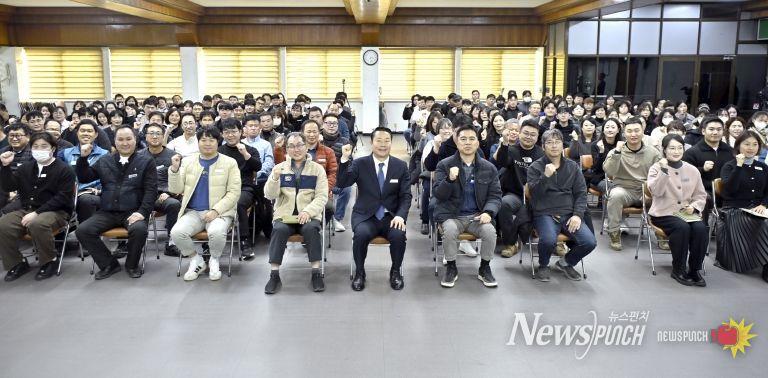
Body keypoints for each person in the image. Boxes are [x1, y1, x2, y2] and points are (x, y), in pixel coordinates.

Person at [75, 126, 157, 279]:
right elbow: (85, 177)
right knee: (82, 230)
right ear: (114, 141)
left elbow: (151, 191)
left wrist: (142, 213)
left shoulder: (146, 162)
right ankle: (108, 264)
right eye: (120, 139)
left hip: (133, 211)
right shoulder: (105, 160)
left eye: (128, 139)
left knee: (139, 230)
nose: (124, 143)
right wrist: (83, 159)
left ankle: (132, 265)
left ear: (135, 140)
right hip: (107, 211)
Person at [336, 127, 411, 291]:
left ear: (391, 142)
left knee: (399, 235)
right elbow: (342, 183)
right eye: (379, 140)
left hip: (391, 216)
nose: (383, 145)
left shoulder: (400, 166)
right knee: (361, 235)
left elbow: (406, 196)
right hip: (365, 215)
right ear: (372, 142)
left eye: (387, 141)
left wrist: (400, 216)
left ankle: (396, 271)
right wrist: (344, 159)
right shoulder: (360, 163)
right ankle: (360, 273)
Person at [433, 125, 502, 288]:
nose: (467, 143)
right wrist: (449, 180)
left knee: (490, 232)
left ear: (478, 143)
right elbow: (439, 195)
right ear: (457, 143)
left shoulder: (488, 167)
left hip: (477, 216)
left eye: (472, 139)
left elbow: (495, 195)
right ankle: (451, 267)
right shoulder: (445, 165)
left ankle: (484, 267)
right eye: (463, 139)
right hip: (451, 215)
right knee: (449, 231)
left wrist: (488, 212)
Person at [0, 132, 75, 281]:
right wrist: (6, 167)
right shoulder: (25, 168)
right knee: (3, 224)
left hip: (56, 211)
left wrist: (37, 213)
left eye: (44, 146)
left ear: (53, 148)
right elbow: (9, 186)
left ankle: (49, 261)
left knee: (38, 223)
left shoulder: (64, 169)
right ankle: (17, 263)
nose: (39, 149)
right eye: (35, 146)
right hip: (27, 209)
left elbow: (63, 197)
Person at [169, 127, 241, 281]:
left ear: (218, 142)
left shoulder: (230, 163)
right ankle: (196, 260)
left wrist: (216, 210)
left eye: (211, 140)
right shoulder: (187, 161)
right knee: (176, 233)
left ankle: (214, 259)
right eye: (203, 140)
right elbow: (176, 189)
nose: (207, 143)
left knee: (216, 232)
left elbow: (234, 192)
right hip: (193, 212)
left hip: (220, 213)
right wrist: (174, 170)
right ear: (198, 141)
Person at [263, 132, 328, 294]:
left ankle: (316, 273)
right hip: (285, 216)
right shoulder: (280, 168)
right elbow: (269, 195)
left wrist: (308, 211)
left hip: (308, 216)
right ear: (286, 149)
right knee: (279, 230)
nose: (296, 149)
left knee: (311, 230)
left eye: (299, 145)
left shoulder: (317, 169)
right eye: (291, 146)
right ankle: (274, 274)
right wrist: (275, 179)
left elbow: (322, 197)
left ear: (306, 146)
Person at [527, 129, 596, 282]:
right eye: (549, 143)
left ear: (562, 145)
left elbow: (581, 193)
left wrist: (577, 215)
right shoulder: (535, 167)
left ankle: (566, 262)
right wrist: (545, 177)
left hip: (569, 213)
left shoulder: (572, 167)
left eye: (557, 142)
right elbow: (535, 194)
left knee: (589, 242)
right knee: (548, 240)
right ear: (543, 146)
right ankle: (543, 265)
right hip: (544, 212)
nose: (554, 146)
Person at [646, 134, 709, 286]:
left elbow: (701, 195)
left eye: (679, 148)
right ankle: (678, 269)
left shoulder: (692, 170)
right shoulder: (656, 168)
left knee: (701, 229)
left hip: (686, 213)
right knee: (682, 228)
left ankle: (694, 270)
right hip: (663, 212)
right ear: (664, 150)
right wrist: (663, 170)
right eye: (672, 148)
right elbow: (656, 192)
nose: (676, 151)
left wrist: (694, 207)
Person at [716, 130, 768, 283]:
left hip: (758, 209)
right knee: (765, 223)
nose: (751, 148)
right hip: (734, 210)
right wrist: (739, 166)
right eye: (746, 144)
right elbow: (728, 191)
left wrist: (764, 205)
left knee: (763, 220)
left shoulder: (763, 167)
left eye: (755, 144)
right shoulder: (729, 166)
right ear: (738, 146)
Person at [603, 117, 662, 250]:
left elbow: (661, 176)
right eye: (629, 131)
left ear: (643, 132)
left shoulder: (653, 152)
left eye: (637, 130)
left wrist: (651, 190)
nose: (633, 134)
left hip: (646, 190)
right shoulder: (615, 151)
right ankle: (614, 233)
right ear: (624, 133)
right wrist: (617, 152)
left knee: (663, 195)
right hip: (624, 189)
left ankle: (662, 234)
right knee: (615, 195)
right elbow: (609, 171)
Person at [494, 119, 544, 257]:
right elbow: (501, 162)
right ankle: (510, 243)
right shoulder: (511, 150)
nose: (529, 137)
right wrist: (504, 143)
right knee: (504, 204)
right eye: (526, 133)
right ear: (519, 133)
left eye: (532, 134)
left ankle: (556, 242)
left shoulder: (542, 154)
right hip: (515, 194)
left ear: (537, 136)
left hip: (536, 197)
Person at [217, 118, 262, 259]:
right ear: (222, 134)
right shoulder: (218, 151)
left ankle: (244, 241)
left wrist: (245, 155)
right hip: (222, 189)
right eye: (227, 132)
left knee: (239, 203)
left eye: (234, 132)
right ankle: (210, 242)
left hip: (245, 188)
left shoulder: (250, 150)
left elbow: (258, 167)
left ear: (241, 132)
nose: (230, 135)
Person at [137, 122, 183, 257]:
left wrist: (169, 193)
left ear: (164, 137)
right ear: (145, 137)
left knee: (174, 204)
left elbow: (179, 179)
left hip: (163, 195)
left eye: (158, 133)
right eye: (151, 133)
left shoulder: (173, 156)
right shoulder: (138, 156)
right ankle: (129, 242)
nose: (155, 136)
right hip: (143, 196)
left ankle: (171, 243)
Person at [682, 117, 733, 226]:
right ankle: (701, 230)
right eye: (711, 129)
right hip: (704, 190)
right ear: (703, 131)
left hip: (726, 190)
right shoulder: (692, 152)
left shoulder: (729, 151)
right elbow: (684, 176)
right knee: (703, 199)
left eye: (719, 129)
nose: (715, 132)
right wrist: (702, 169)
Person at [57, 120, 108, 223]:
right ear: (77, 133)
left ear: (96, 134)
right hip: (70, 193)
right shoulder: (65, 153)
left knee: (86, 200)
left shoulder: (105, 154)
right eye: (82, 130)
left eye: (89, 131)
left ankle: (86, 234)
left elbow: (107, 178)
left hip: (94, 194)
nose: (86, 133)